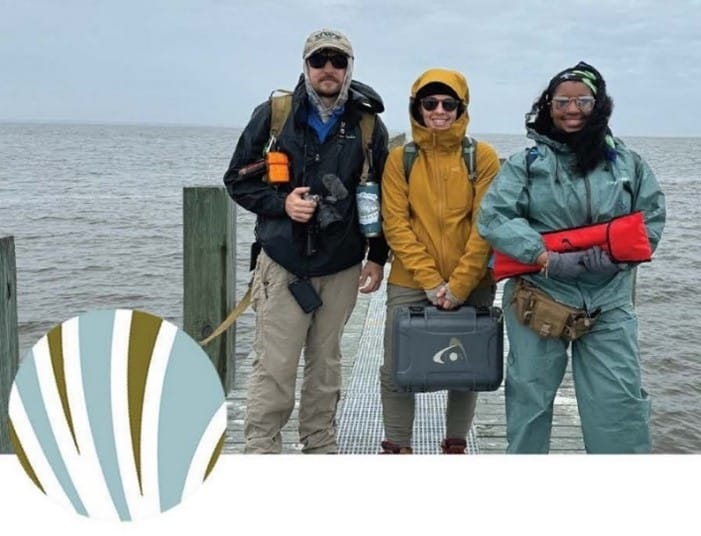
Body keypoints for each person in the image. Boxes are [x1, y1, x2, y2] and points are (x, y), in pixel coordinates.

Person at [477, 61, 666, 454]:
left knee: (619, 404)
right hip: (538, 295)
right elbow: (494, 216)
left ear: (599, 104)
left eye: (583, 100)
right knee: (529, 400)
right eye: (561, 101)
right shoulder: (524, 165)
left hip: (610, 302)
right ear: (547, 105)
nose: (572, 109)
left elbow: (651, 216)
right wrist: (543, 256)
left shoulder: (629, 164)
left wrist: (618, 259)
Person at [223, 28, 389, 454]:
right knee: (274, 365)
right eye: (320, 60)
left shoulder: (369, 123)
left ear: (350, 67)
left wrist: (378, 257)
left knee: (326, 364)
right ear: (306, 66)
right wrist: (282, 205)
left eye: (338, 60)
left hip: (342, 263)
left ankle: (320, 447)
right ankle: (262, 449)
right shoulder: (274, 115)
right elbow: (236, 182)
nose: (328, 69)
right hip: (283, 262)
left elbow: (384, 195)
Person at [378, 68, 500, 454]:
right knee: (396, 369)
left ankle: (455, 444)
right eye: (429, 103)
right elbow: (395, 224)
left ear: (462, 107)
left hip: (475, 279)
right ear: (417, 107)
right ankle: (398, 446)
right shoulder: (400, 159)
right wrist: (431, 281)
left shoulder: (482, 156)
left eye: (449, 103)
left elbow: (487, 224)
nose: (439, 110)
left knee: (468, 364)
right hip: (411, 280)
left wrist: (461, 283)